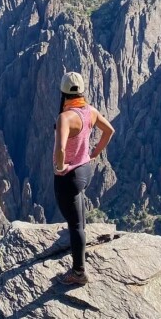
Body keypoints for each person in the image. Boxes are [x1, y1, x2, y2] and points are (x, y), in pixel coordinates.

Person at [53, 71, 115, 285]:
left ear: (63, 93)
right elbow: (109, 131)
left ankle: (79, 273)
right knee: (77, 221)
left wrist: (60, 167)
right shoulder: (91, 112)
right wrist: (94, 153)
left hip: (68, 177)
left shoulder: (65, 117)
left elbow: (60, 148)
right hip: (85, 171)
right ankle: (78, 234)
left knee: (74, 225)